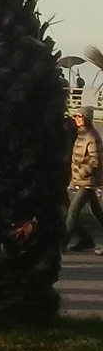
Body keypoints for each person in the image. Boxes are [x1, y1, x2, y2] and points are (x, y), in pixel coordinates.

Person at [64, 107, 103, 253]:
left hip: (88, 181)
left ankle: (62, 242)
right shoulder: (80, 135)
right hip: (80, 180)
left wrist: (82, 172)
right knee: (98, 213)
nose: (77, 119)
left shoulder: (92, 137)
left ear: (87, 118)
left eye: (80, 116)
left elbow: (95, 161)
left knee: (72, 211)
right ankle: (86, 241)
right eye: (76, 116)